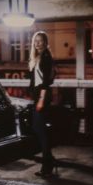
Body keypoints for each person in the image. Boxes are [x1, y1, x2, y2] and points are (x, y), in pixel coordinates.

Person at [23, 36, 58, 176]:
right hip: (37, 95)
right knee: (38, 128)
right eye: (35, 41)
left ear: (45, 42)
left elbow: (46, 82)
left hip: (43, 96)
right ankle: (49, 159)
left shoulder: (46, 57)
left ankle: (47, 165)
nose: (37, 43)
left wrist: (41, 100)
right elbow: (33, 80)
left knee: (40, 129)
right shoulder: (37, 57)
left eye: (40, 41)